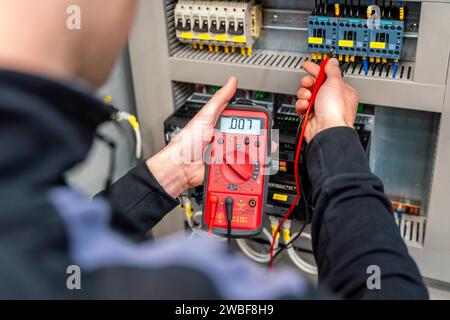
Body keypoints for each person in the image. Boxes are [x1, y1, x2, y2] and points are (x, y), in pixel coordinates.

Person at [0, 0, 428, 299]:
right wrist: (335, 137)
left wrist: (168, 174)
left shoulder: (41, 235)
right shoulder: (194, 281)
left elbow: (76, 243)